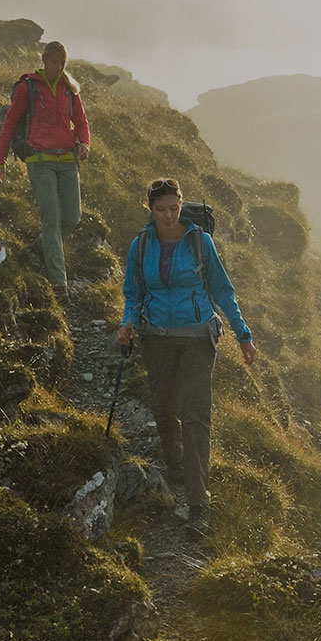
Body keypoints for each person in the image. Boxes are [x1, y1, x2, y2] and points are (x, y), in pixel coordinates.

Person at [116, 179, 258, 531]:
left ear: (182, 206)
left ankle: (198, 504)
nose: (168, 216)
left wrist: (243, 334)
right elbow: (133, 291)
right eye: (160, 209)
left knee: (195, 416)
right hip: (155, 338)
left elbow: (223, 290)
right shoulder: (141, 244)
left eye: (174, 209)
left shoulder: (200, 241)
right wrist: (127, 323)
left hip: (197, 338)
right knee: (164, 410)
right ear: (150, 209)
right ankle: (176, 463)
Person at [0, 40, 92, 287]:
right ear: (44, 60)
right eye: (55, 62)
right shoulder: (29, 87)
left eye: (62, 63)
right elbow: (10, 123)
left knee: (72, 217)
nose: (59, 67)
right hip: (40, 161)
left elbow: (81, 121)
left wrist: (85, 143)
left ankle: (39, 249)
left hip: (67, 161)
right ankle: (59, 282)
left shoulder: (70, 90)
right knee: (52, 217)